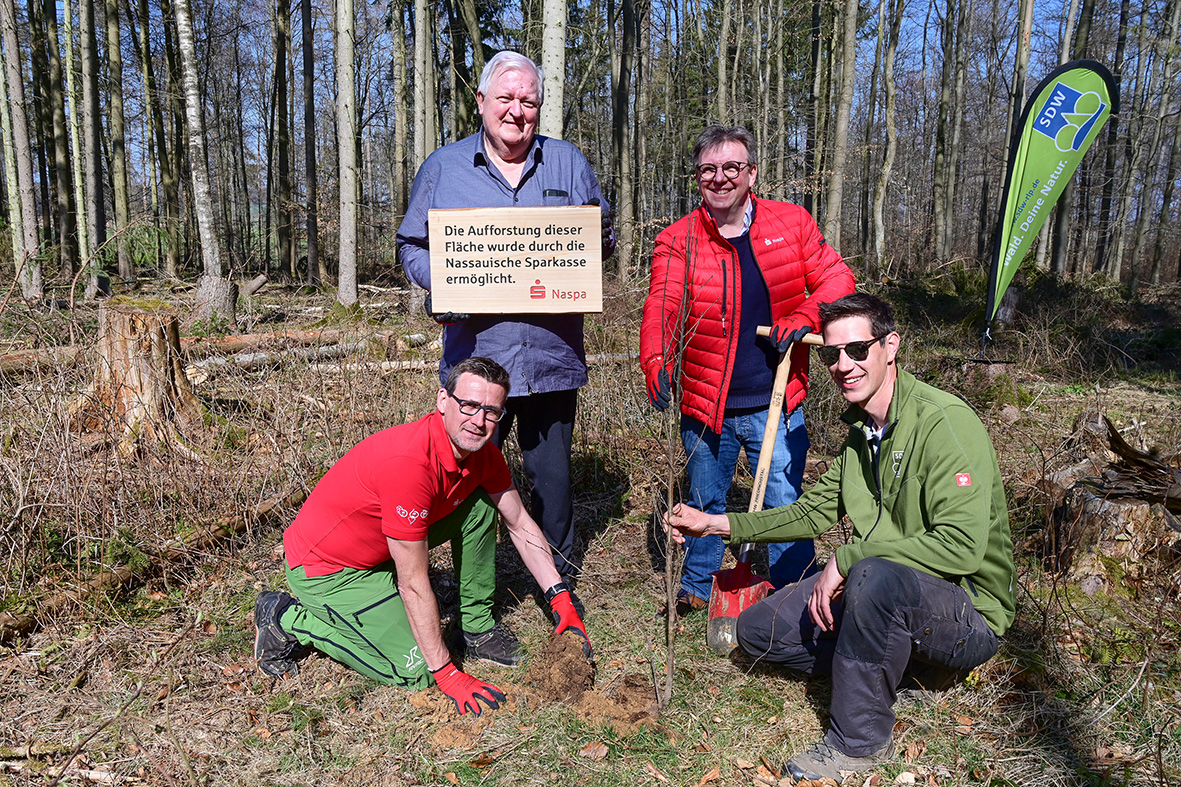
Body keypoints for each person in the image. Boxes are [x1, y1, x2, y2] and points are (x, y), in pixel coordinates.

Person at [665, 294, 1016, 780]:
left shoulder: (943, 423)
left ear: (890, 347)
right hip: (882, 589)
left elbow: (960, 546)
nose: (843, 366)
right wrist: (716, 523)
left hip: (965, 610)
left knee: (872, 576)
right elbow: (810, 513)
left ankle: (857, 743)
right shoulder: (860, 436)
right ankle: (892, 658)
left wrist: (849, 559)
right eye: (832, 354)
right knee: (757, 632)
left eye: (857, 350)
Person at [252, 357, 592, 717]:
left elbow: (520, 523)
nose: (478, 421)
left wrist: (559, 598)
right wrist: (446, 672)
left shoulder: (482, 455)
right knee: (416, 670)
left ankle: (476, 628)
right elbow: (412, 582)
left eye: (491, 412)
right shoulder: (409, 466)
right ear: (443, 401)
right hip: (329, 570)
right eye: (469, 405)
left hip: (382, 551)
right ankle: (285, 618)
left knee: (479, 502)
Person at [397, 52, 614, 597]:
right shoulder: (443, 167)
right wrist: (445, 283)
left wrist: (584, 254)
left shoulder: (568, 163)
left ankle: (556, 586)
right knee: (467, 485)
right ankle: (476, 594)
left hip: (550, 358)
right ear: (482, 103)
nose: (517, 111)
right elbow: (410, 246)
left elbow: (601, 232)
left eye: (529, 101)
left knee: (553, 483)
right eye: (506, 99)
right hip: (476, 362)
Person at [640, 125, 854, 614]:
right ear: (697, 178)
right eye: (708, 170)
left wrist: (805, 316)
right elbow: (662, 304)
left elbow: (837, 278)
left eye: (731, 168)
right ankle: (699, 583)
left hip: (776, 398)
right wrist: (655, 355)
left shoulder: (792, 224)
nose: (720, 179)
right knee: (705, 498)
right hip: (704, 401)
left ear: (751, 173)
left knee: (783, 497)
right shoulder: (679, 240)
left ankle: (795, 586)